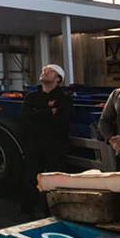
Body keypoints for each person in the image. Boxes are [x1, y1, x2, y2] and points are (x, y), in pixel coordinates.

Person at [20, 64, 73, 217]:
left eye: (50, 71)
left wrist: (38, 112)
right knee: (30, 177)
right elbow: (26, 118)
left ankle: (50, 212)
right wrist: (49, 111)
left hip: (55, 145)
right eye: (44, 70)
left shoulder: (64, 97)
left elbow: (62, 119)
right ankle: (26, 210)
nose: (44, 72)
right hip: (33, 144)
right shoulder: (31, 97)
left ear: (58, 78)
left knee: (52, 180)